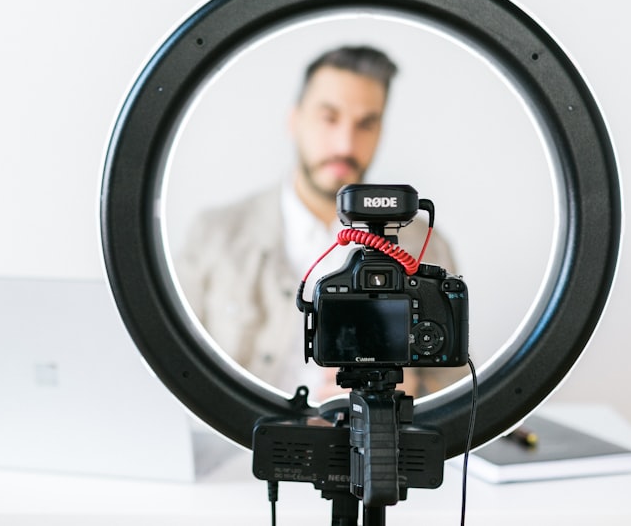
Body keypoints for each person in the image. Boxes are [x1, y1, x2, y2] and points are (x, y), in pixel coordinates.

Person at [175, 45, 466, 399]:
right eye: (329, 118)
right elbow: (173, 370)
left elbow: (460, 382)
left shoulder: (426, 244)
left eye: (366, 124)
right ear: (294, 120)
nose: (345, 144)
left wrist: (415, 386)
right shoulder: (215, 235)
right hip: (245, 447)